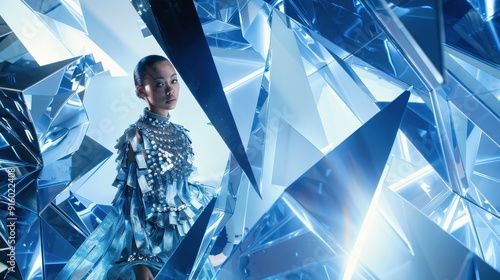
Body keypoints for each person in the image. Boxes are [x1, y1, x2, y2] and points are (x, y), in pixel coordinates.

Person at [57, 55, 214, 280]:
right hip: (150, 243)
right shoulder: (137, 137)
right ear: (142, 91)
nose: (170, 90)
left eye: (174, 81)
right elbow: (131, 204)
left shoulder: (181, 133)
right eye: (160, 84)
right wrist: (139, 261)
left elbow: (183, 188)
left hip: (183, 235)